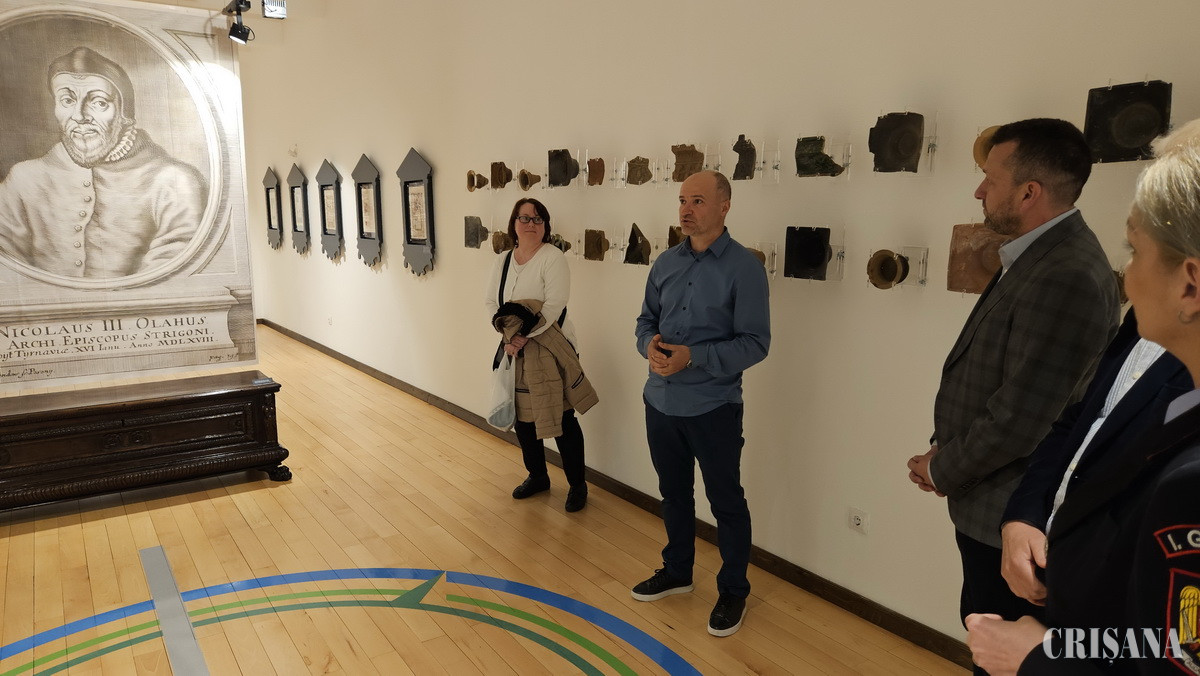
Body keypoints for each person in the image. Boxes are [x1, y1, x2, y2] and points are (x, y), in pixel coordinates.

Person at [966, 120, 1200, 675]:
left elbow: (1180, 655)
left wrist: (1042, 658)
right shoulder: (1142, 329)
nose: (1126, 274)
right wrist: (1024, 515)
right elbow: (1080, 421)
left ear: (1189, 284)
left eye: (1134, 251)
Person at [906, 119, 1121, 652]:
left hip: (1014, 513)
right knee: (985, 637)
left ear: (1029, 192)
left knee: (1004, 652)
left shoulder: (1066, 272)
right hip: (989, 502)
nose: (979, 191)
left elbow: (1024, 416)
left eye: (990, 178)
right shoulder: (1038, 256)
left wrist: (943, 466)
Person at [631, 170, 770, 637]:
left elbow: (755, 343)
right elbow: (645, 322)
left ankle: (733, 590)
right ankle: (678, 572)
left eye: (698, 201)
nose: (686, 210)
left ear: (724, 206)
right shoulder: (664, 263)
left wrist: (693, 357)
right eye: (682, 200)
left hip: (713, 406)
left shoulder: (745, 268)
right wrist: (649, 346)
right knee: (673, 494)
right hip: (660, 402)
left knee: (726, 502)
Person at [0, 47, 207, 278]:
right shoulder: (23, 179)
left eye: (98, 102)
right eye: (67, 100)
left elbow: (174, 272)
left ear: (125, 113)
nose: (79, 116)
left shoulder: (175, 181)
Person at [484, 198, 591, 512]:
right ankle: (538, 476)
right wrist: (510, 337)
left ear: (545, 225)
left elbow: (555, 305)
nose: (531, 224)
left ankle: (578, 485)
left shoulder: (552, 257)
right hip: (514, 348)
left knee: (561, 416)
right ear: (514, 223)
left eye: (537, 219)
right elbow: (491, 303)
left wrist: (520, 337)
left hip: (551, 348)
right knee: (523, 417)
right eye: (524, 218)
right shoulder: (503, 260)